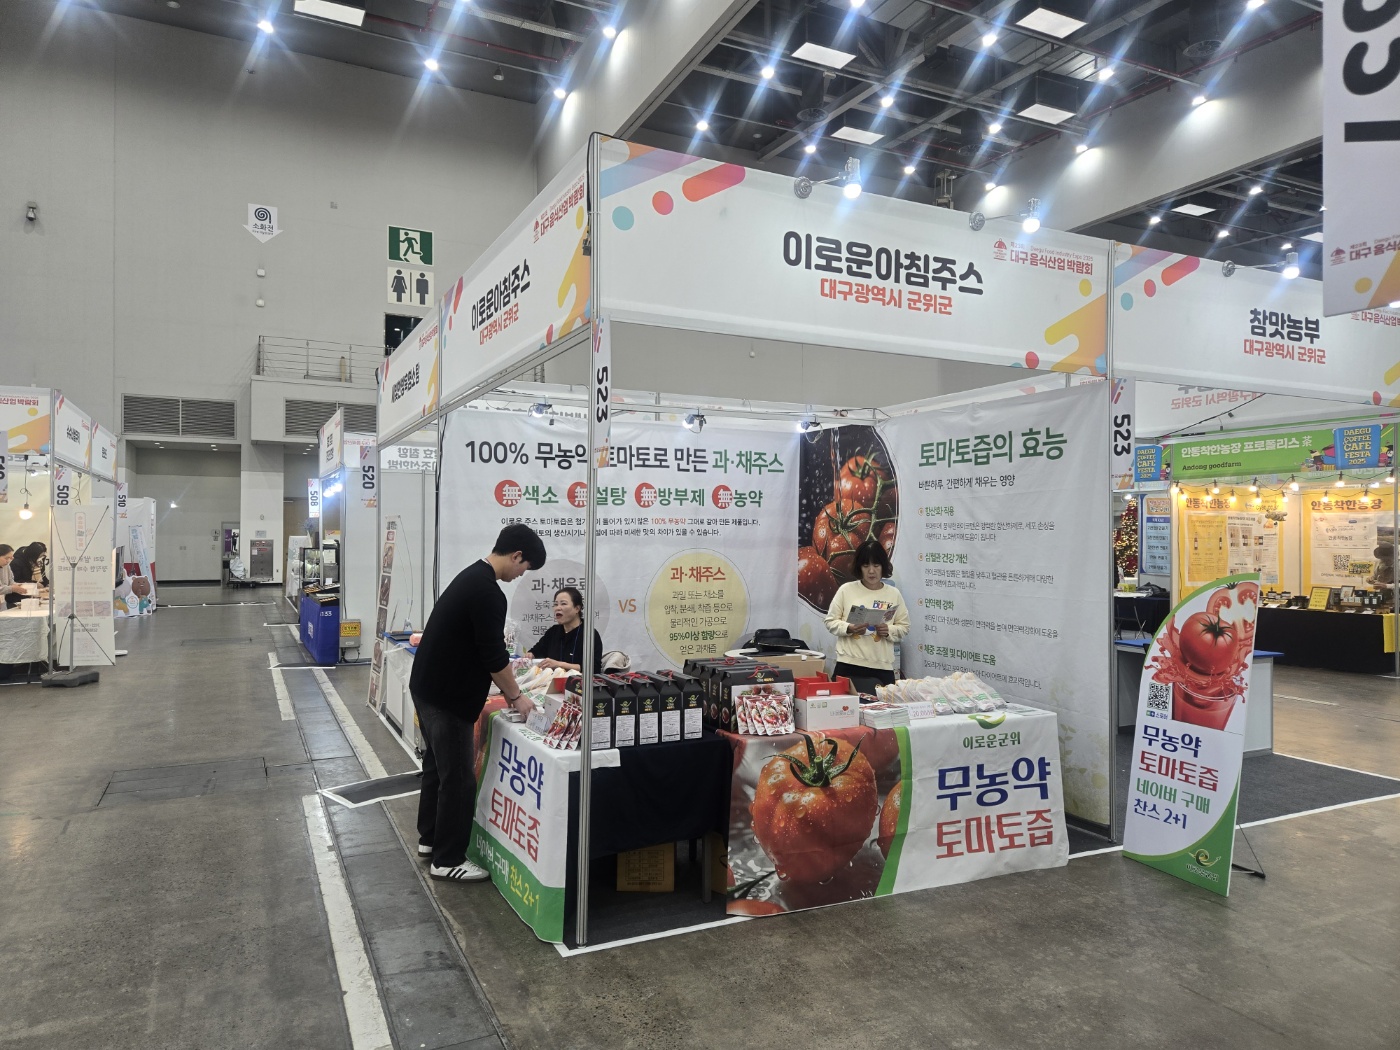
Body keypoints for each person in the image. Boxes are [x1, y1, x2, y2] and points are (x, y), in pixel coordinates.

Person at [409, 523, 546, 882]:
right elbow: (494, 658)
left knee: (437, 767)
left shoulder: (472, 576)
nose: (520, 576)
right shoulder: (488, 592)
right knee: (458, 780)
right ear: (516, 556)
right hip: (448, 698)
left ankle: (430, 839)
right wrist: (516, 697)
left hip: (427, 687)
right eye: (524, 568)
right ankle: (448, 859)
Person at [824, 539, 910, 688]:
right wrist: (849, 628)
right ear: (859, 567)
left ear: (883, 566)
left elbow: (904, 627)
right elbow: (830, 621)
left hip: (882, 667)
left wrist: (888, 630)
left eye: (876, 565)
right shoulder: (846, 590)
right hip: (848, 664)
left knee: (884, 703)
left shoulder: (893, 594)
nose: (871, 571)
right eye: (866, 566)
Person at [527, 586, 602, 674]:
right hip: (551, 680)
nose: (558, 608)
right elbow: (536, 651)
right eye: (556, 604)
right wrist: (530, 655)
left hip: (578, 682)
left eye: (563, 604)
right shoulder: (553, 632)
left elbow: (594, 668)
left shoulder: (589, 634)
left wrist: (559, 665)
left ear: (577, 608)